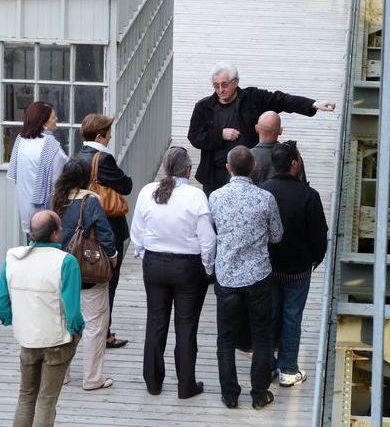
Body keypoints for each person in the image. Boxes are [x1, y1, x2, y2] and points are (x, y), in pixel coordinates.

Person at [130, 146, 216, 399]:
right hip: (188, 267)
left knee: (156, 322)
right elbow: (207, 239)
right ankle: (186, 384)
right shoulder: (196, 196)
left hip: (155, 263)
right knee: (186, 326)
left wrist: (146, 255)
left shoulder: (148, 191)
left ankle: (153, 382)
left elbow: (138, 232)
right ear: (188, 169)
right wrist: (207, 267)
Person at [188, 61, 335, 196]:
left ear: (236, 82)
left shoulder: (252, 98)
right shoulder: (203, 106)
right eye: (216, 85)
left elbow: (281, 100)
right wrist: (220, 134)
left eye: (224, 84)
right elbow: (194, 136)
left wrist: (313, 104)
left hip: (250, 174)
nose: (220, 90)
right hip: (216, 176)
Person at [209, 146, 283, 410]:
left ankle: (230, 393)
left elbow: (213, 231)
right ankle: (259, 392)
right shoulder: (265, 198)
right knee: (261, 335)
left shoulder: (215, 197)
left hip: (227, 275)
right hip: (258, 275)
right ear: (253, 167)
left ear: (228, 167)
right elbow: (276, 235)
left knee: (226, 338)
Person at [0, 210, 84, 426]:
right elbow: (72, 310)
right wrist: (77, 330)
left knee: (26, 396)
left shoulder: (13, 258)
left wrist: (13, 319)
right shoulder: (66, 261)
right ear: (55, 234)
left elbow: (0, 305)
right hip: (57, 339)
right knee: (46, 400)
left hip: (27, 338)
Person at [260, 142, 328, 387]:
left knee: (269, 314)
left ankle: (266, 364)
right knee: (292, 317)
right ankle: (288, 369)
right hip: (297, 269)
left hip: (268, 266)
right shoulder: (309, 196)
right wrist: (315, 259)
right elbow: (320, 235)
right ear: (294, 164)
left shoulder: (263, 190)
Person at [53, 158, 118, 390]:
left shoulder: (56, 199)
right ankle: (92, 378)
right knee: (94, 325)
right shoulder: (90, 200)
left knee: (64, 323)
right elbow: (105, 233)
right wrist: (112, 257)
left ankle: (61, 375)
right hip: (87, 272)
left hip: (60, 270)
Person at [78, 113, 132, 349]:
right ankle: (104, 332)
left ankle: (91, 327)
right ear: (100, 135)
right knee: (110, 279)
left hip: (85, 225)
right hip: (108, 226)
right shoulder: (103, 159)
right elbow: (126, 185)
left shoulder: (78, 157)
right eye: (109, 132)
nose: (111, 136)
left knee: (89, 277)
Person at [7, 101, 68, 238]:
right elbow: (59, 179)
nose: (56, 120)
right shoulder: (51, 146)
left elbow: (14, 173)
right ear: (43, 122)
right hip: (46, 212)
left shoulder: (20, 140)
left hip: (26, 208)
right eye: (53, 117)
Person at [250, 111, 306, 185]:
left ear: (256, 128)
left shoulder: (246, 157)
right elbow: (302, 186)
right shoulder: (293, 156)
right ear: (280, 131)